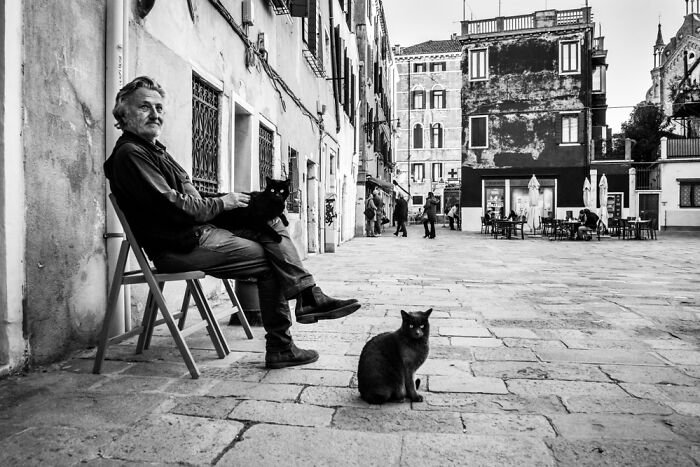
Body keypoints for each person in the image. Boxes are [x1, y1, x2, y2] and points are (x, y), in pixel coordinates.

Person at [103, 76, 360, 370]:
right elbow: (176, 207)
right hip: (179, 246)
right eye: (144, 107)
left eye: (159, 107)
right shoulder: (130, 154)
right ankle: (282, 343)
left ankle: (308, 295)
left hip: (198, 232)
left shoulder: (154, 150)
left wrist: (237, 200)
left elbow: (193, 198)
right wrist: (222, 203)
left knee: (267, 217)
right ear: (123, 114)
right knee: (270, 263)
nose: (155, 114)